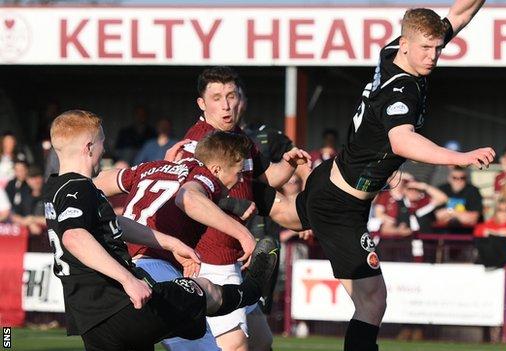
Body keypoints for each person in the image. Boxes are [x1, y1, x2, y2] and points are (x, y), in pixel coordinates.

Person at [294, 5, 495, 350]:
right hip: (340, 205)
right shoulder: (401, 89)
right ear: (405, 43)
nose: (433, 57)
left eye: (438, 48)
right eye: (425, 49)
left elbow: (458, 15)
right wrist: (460, 158)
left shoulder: (392, 52)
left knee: (289, 216)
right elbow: (402, 139)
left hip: (334, 182)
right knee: (372, 301)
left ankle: (247, 209)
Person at [44, 109, 278, 350]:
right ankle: (252, 290)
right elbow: (74, 237)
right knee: (203, 289)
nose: (105, 150)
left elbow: (114, 224)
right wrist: (128, 280)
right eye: (102, 141)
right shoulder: (79, 188)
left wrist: (170, 242)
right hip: (119, 305)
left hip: (91, 320)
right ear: (89, 147)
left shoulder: (57, 189)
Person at [178, 67, 309, 351]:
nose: (225, 105)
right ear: (201, 103)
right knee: (235, 346)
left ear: (241, 99)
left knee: (262, 342)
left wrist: (288, 164)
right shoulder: (196, 144)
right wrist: (236, 214)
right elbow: (187, 197)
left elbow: (264, 179)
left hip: (232, 258)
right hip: (208, 260)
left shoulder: (240, 139)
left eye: (231, 96)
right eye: (216, 98)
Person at [95, 131, 261, 351]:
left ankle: (248, 293)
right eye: (239, 173)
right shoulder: (203, 175)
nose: (240, 180)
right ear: (217, 169)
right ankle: (251, 291)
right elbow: (188, 199)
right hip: (154, 268)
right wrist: (244, 235)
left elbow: (99, 183)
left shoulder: (152, 166)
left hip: (117, 272)